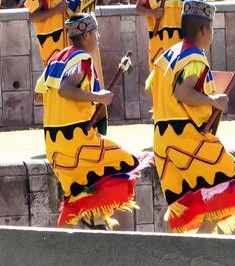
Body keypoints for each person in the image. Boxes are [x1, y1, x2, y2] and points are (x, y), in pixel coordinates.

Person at [148, 0, 235, 233]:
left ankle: (198, 242)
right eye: (211, 29)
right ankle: (204, 242)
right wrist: (212, 100)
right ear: (205, 29)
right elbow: (182, 91)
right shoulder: (194, 57)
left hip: (163, 139)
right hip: (187, 137)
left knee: (192, 197)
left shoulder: (167, 56)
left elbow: (154, 88)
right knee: (230, 184)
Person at [36, 13, 150, 227]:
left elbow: (39, 93)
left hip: (54, 146)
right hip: (77, 141)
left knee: (81, 190)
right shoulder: (82, 59)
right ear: (87, 34)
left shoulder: (56, 59)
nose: (98, 37)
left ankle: (93, 223)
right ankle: (94, 221)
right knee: (128, 163)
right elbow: (65, 89)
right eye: (96, 33)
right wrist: (97, 96)